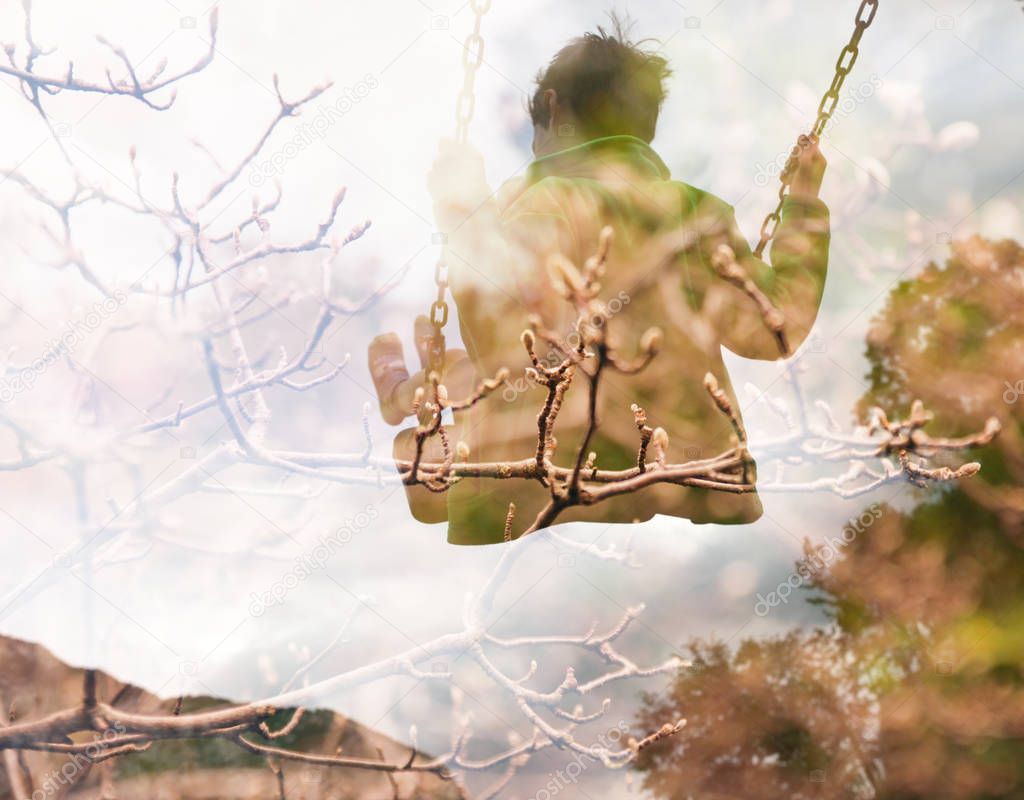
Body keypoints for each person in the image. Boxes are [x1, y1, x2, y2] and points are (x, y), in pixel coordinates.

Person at [370, 18, 830, 545]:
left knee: (429, 436)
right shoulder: (698, 212)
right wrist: (804, 205)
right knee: (458, 400)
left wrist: (464, 208)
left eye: (536, 132)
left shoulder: (546, 203)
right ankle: (415, 394)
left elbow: (507, 342)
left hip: (546, 475)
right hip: (689, 475)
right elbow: (773, 331)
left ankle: (408, 396)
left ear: (553, 107)